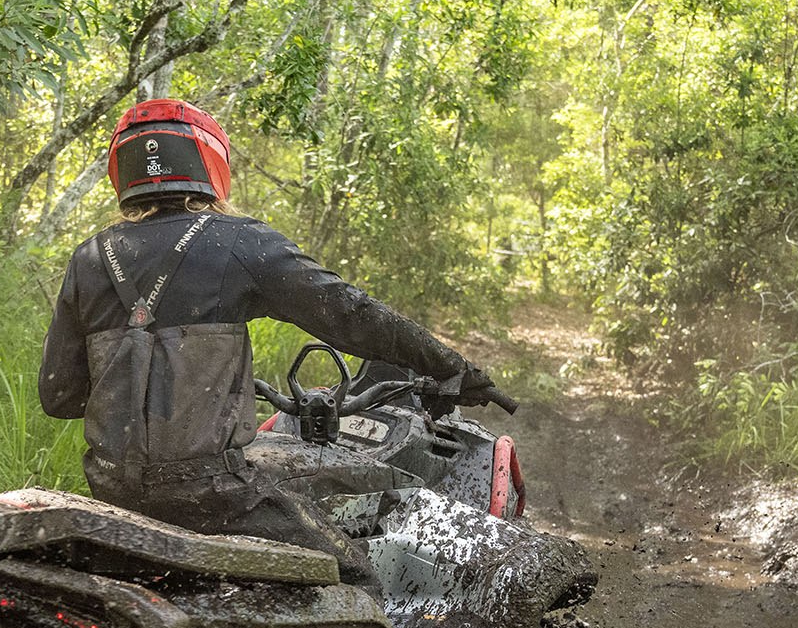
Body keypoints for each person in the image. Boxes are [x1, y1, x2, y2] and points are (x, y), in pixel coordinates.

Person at [37, 98, 498, 581]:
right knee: (355, 577)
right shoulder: (236, 242)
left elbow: (60, 397)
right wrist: (450, 367)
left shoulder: (88, 258)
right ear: (210, 163)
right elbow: (350, 314)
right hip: (218, 494)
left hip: (114, 492)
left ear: (122, 173)